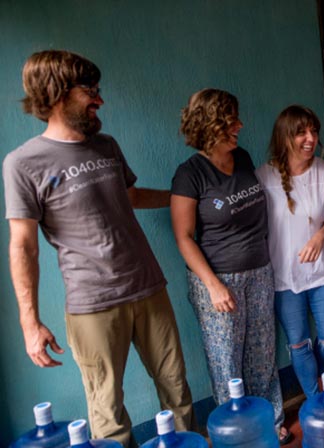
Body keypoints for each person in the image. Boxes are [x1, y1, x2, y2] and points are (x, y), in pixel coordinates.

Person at [2, 50, 195, 447]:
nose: (99, 99)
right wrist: (29, 322)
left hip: (149, 288)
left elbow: (132, 196)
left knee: (177, 390)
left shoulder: (106, 145)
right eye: (89, 90)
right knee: (108, 411)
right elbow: (23, 246)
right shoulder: (22, 163)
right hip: (93, 304)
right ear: (56, 93)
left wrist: (187, 197)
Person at [170, 88, 291, 445]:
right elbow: (184, 237)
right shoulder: (189, 174)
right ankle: (238, 435)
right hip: (218, 280)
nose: (240, 125)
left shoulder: (242, 158)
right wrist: (213, 285)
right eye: (231, 121)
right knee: (227, 365)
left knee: (263, 355)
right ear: (211, 125)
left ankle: (271, 422)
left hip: (260, 272)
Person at [255, 105, 324, 398]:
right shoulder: (263, 177)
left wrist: (321, 235)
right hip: (285, 276)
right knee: (298, 342)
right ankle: (315, 399)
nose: (310, 138)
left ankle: (314, 380)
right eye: (301, 132)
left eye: (313, 130)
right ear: (284, 137)